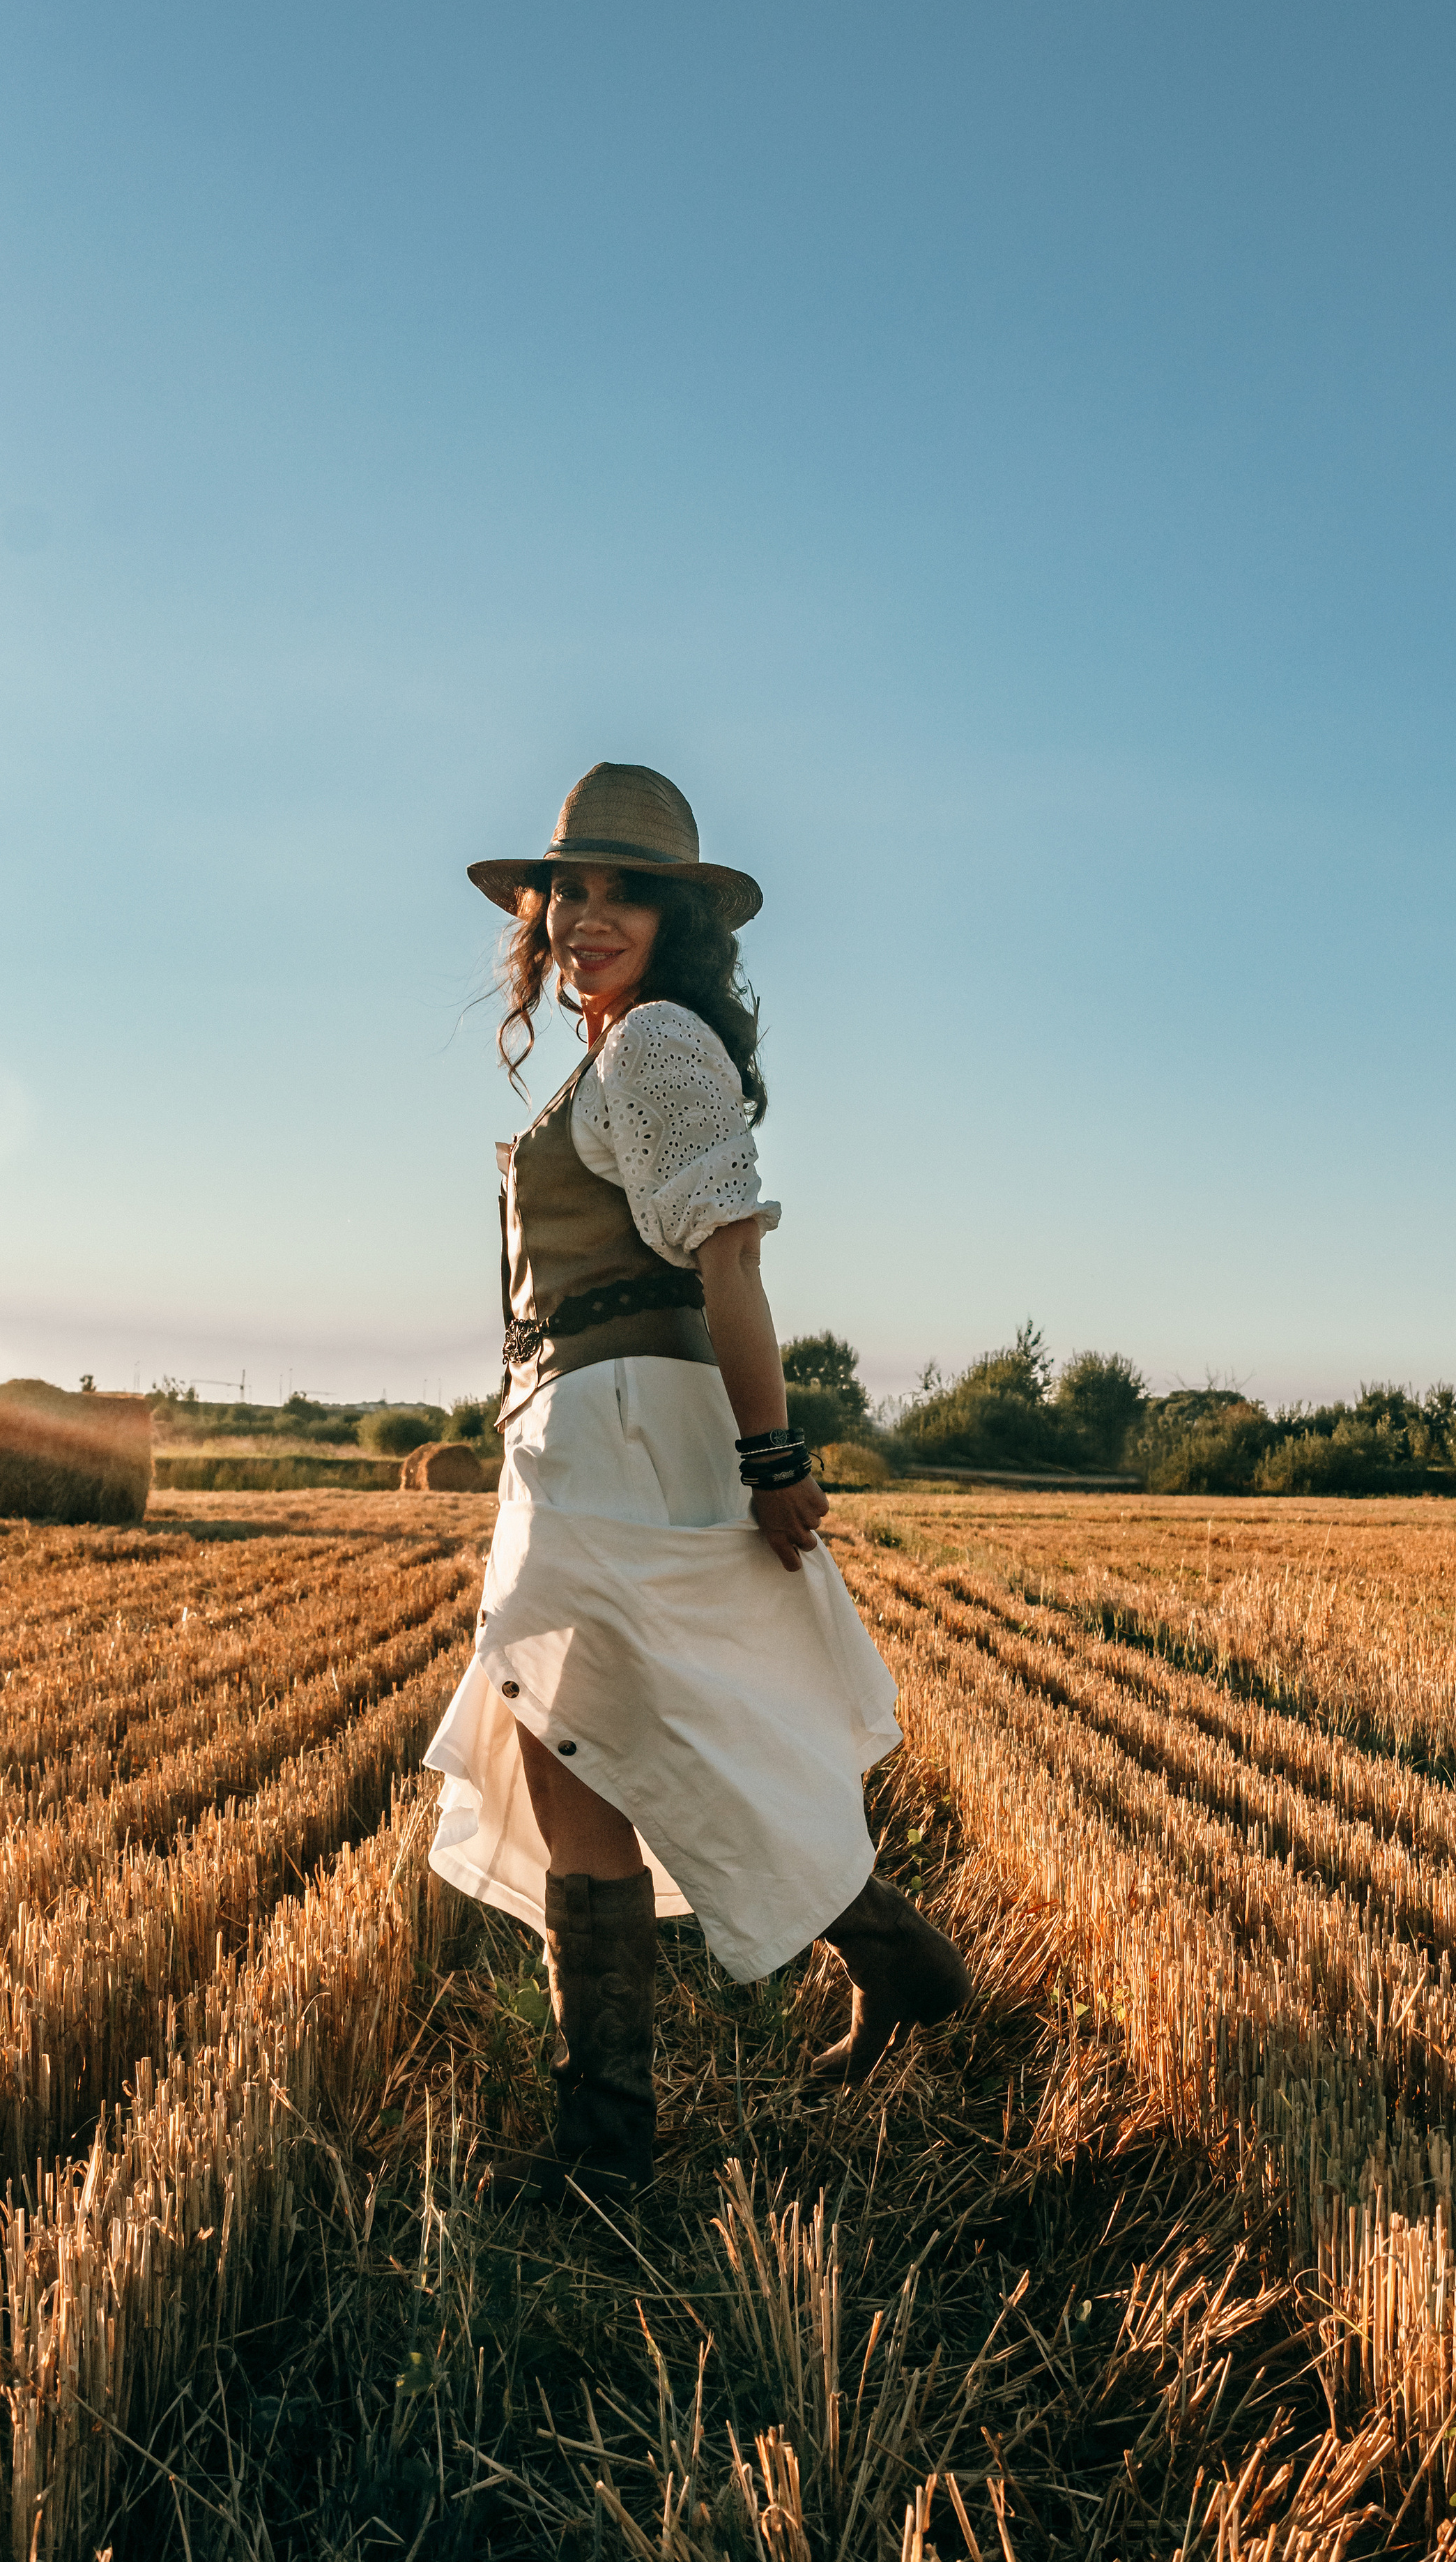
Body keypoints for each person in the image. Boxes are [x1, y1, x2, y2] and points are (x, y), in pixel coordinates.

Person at [424, 762, 969, 2197]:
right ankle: (637, 2121)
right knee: (580, 1746)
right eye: (567, 892)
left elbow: (726, 1254)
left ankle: (617, 2136)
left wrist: (772, 1456)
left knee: (613, 1737)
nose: (584, 918)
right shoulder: (606, 1053)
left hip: (629, 1425)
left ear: (676, 918)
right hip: (569, 1421)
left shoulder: (657, 1044)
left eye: (621, 894)